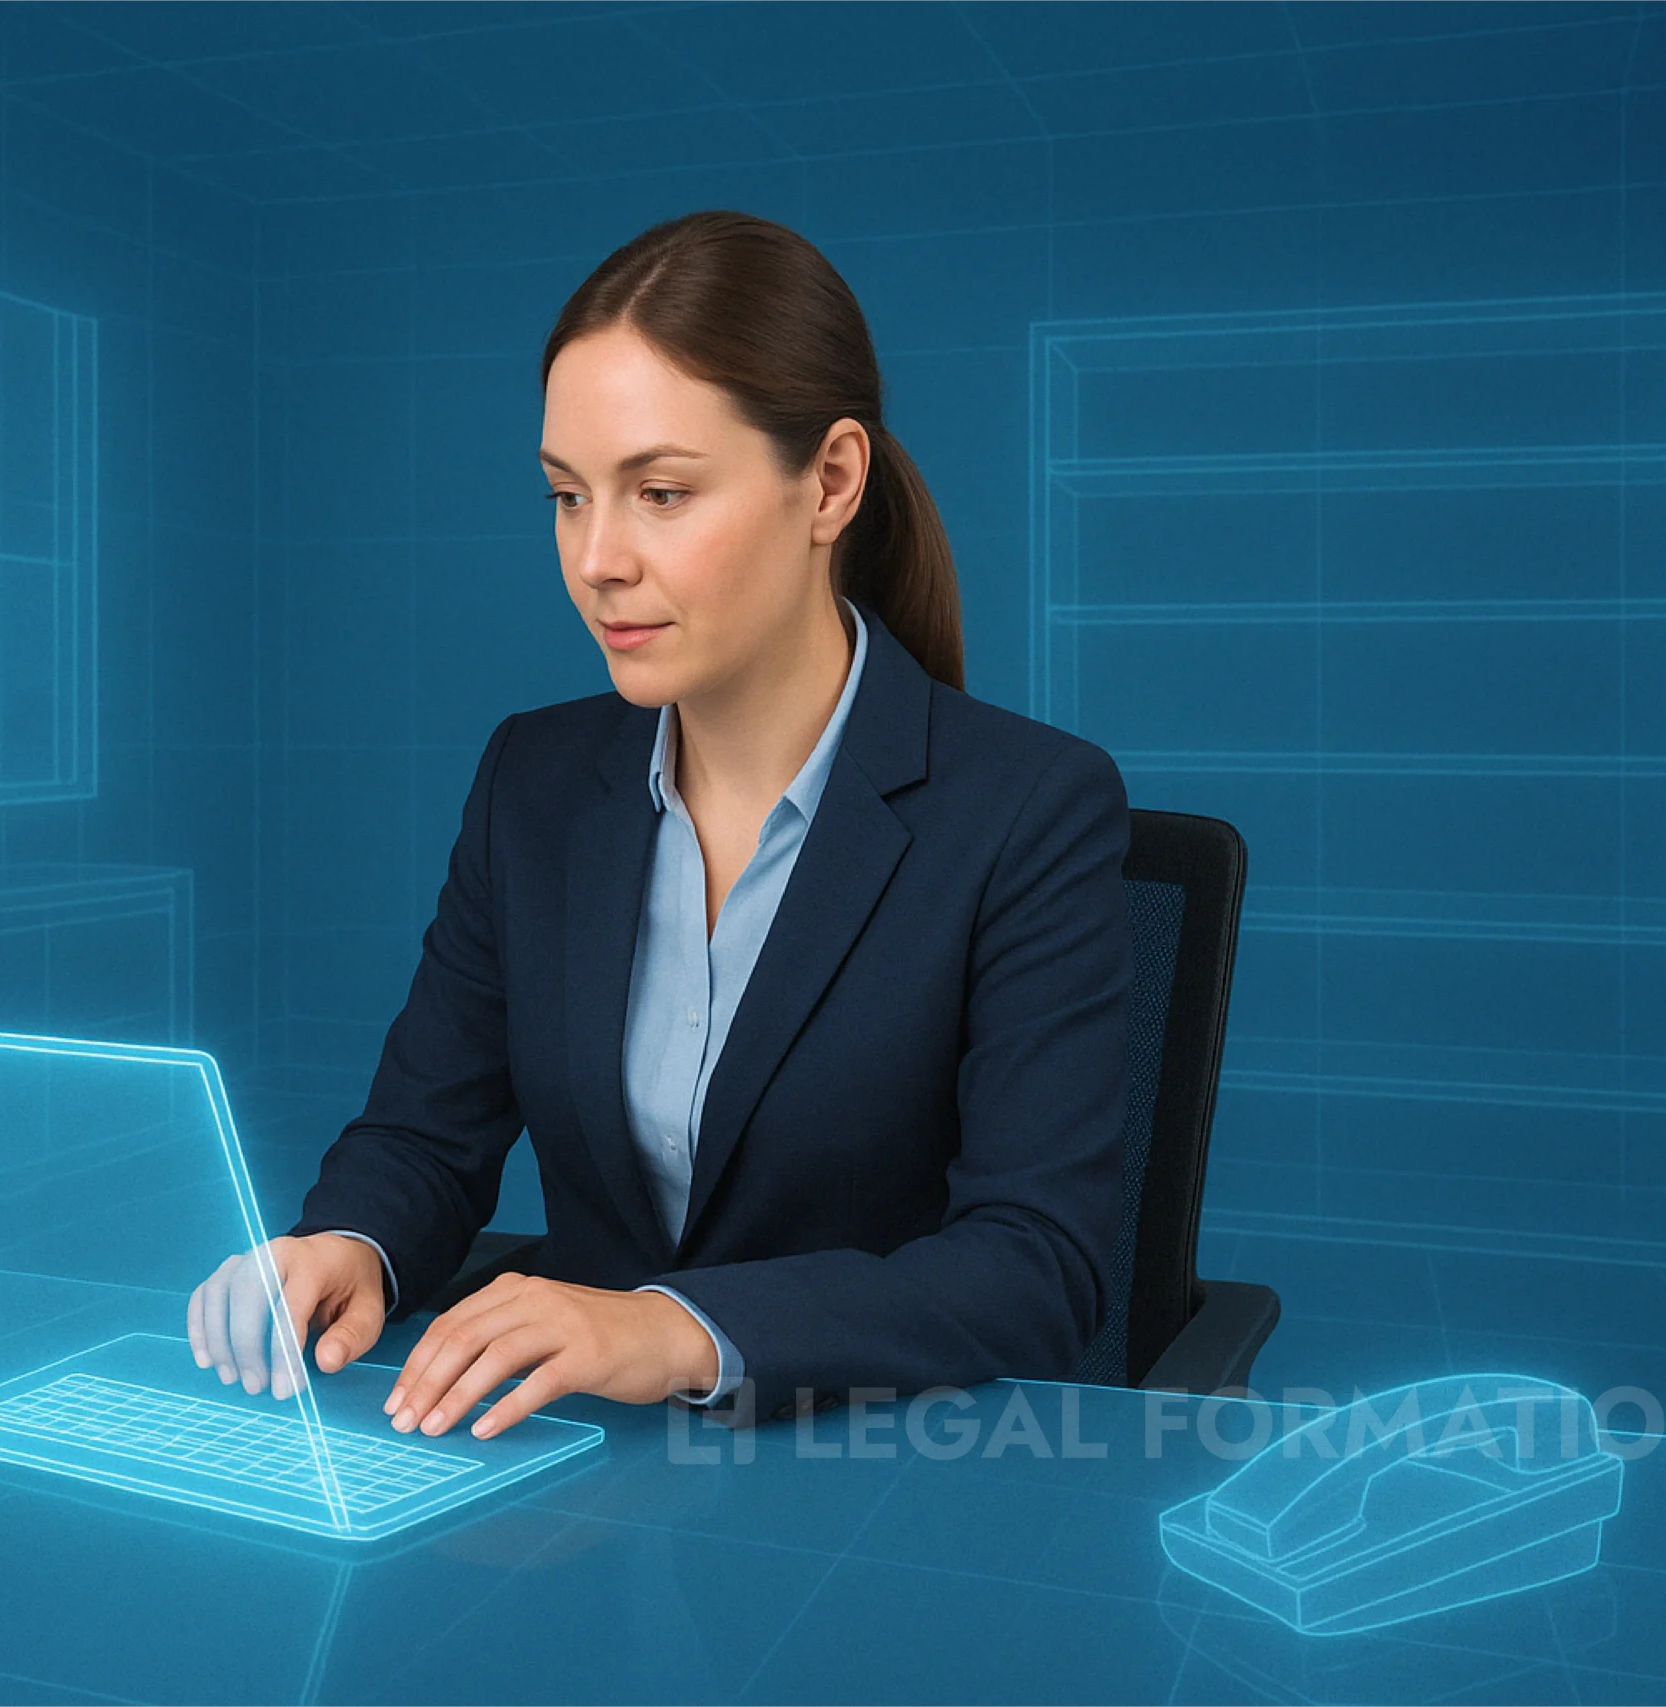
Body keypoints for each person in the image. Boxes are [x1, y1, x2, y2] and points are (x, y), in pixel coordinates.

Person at [189, 209, 1131, 1440]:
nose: (596, 559)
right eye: (567, 498)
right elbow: (426, 1133)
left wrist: (672, 1328)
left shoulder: (1029, 808)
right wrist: (346, 1244)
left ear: (830, 482)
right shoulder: (534, 779)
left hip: (879, 1472)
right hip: (590, 1466)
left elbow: (1036, 1263)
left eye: (663, 493)